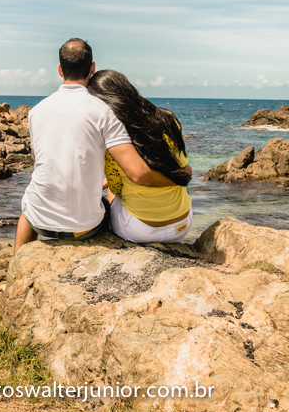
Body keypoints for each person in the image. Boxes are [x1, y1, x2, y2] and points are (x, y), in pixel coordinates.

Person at [14, 39, 180, 254]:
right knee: (113, 194)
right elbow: (137, 173)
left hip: (39, 221)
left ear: (59, 70)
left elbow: (53, 165)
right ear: (92, 68)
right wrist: (177, 177)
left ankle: (15, 267)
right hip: (84, 229)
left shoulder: (36, 111)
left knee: (29, 202)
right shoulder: (103, 111)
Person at [87, 69, 193, 244]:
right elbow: (177, 164)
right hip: (181, 226)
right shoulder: (168, 118)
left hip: (141, 230)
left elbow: (119, 187)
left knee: (114, 190)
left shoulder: (115, 137)